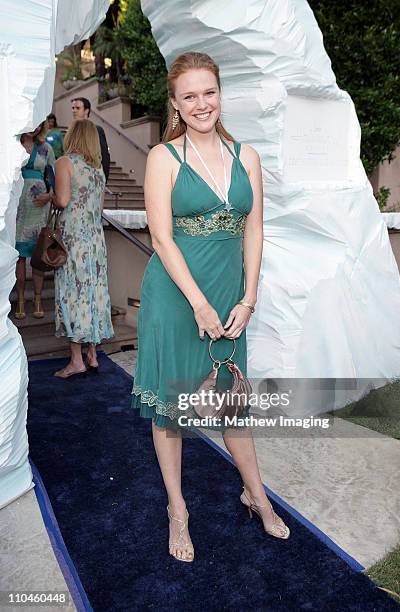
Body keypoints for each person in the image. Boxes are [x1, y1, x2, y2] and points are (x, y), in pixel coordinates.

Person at [131, 52, 290, 564]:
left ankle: (256, 495)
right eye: (190, 96)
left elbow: (255, 229)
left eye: (209, 92)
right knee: (173, 411)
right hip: (178, 299)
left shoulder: (246, 157)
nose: (202, 103)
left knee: (232, 404)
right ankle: (178, 509)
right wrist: (199, 304)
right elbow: (161, 236)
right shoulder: (163, 157)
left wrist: (249, 297)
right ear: (175, 104)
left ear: (221, 95)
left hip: (229, 299)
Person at [52, 119, 114, 378]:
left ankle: (76, 360)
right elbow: (98, 209)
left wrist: (51, 197)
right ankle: (93, 354)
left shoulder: (65, 163)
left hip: (73, 240)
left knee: (72, 293)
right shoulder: (97, 168)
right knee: (93, 293)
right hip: (95, 240)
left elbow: (63, 200)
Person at [14, 121, 55, 319]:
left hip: (40, 207)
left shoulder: (46, 148)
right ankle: (21, 300)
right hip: (17, 208)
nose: (35, 128)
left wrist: (50, 195)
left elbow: (53, 176)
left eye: (39, 124)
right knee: (19, 256)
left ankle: (37, 299)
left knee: (38, 257)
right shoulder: (13, 145)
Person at [70, 97, 110, 182]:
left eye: (78, 108)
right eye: (73, 108)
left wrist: (103, 181)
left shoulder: (96, 130)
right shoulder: (72, 132)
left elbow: (104, 156)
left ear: (86, 111)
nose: (74, 111)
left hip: (91, 178)